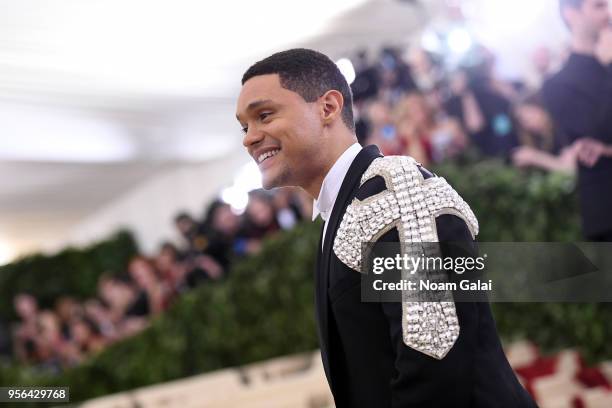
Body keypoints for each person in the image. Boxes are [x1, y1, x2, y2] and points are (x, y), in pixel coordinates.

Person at [236, 48, 536, 407]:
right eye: (244, 126)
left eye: (264, 115)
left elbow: (435, 354)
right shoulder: (345, 208)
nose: (249, 137)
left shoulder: (397, 192)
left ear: (328, 107)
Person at [542, 0, 612, 241]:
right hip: (605, 208)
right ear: (572, 15)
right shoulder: (557, 85)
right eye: (599, 6)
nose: (608, 13)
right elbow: (595, 131)